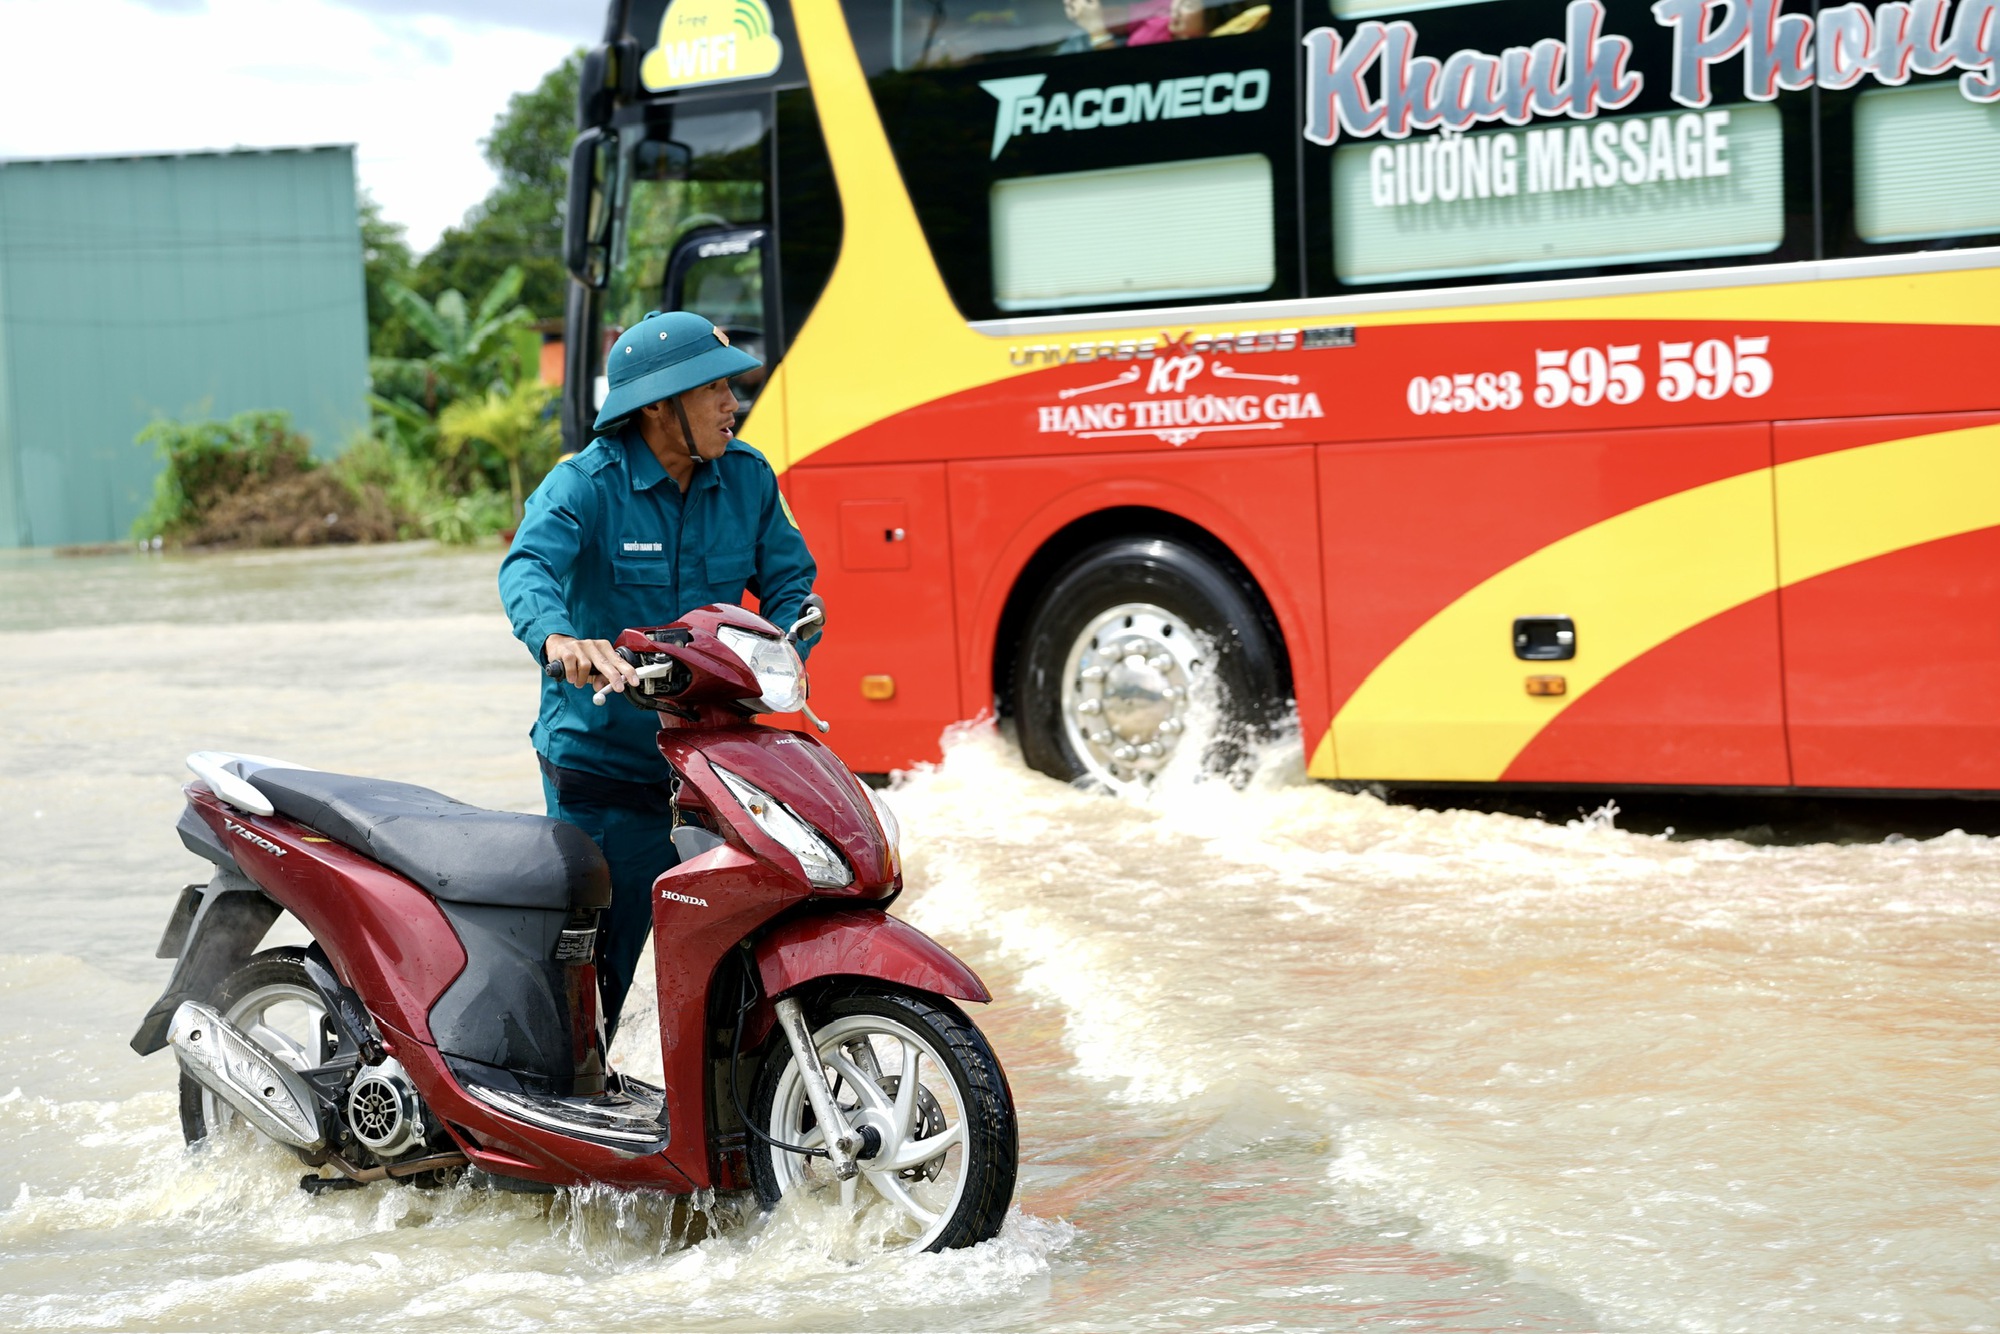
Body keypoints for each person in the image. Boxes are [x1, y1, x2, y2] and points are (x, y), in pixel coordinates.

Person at [498, 309, 818, 1038]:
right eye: (710, 390)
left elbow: (791, 583)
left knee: (747, 947)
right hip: (603, 767)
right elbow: (527, 567)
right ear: (657, 406)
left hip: (716, 765)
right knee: (594, 978)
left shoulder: (748, 479)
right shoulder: (584, 485)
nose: (729, 403)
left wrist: (796, 634)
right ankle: (565, 1113)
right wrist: (560, 640)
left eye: (728, 387)